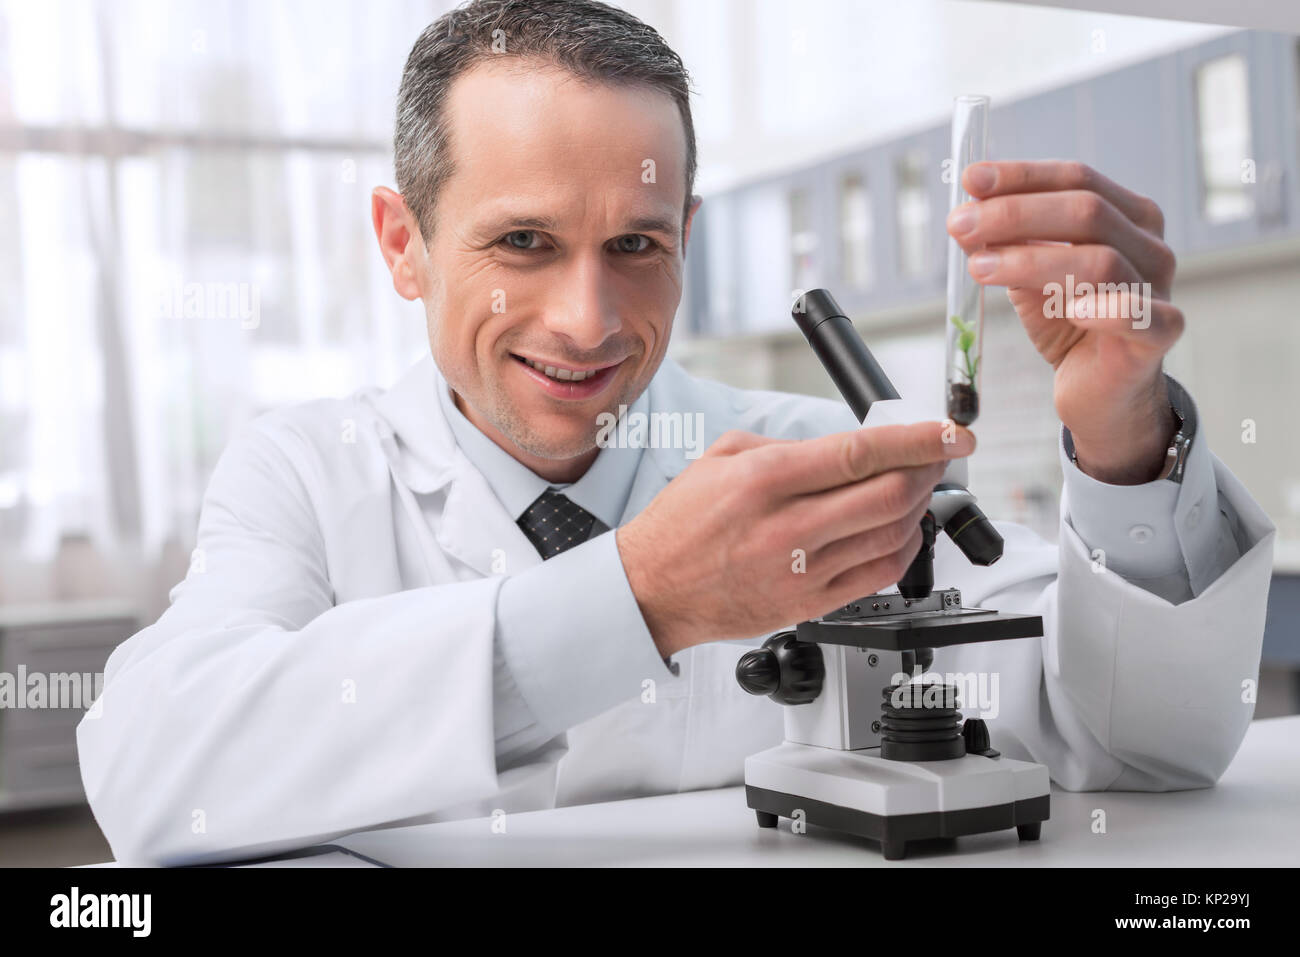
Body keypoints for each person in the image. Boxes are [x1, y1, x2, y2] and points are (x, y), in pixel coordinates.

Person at [77, 0, 1275, 866]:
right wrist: (642, 598)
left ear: (686, 235)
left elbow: (1148, 754)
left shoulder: (799, 447)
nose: (588, 321)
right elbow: (152, 773)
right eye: (523, 243)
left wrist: (1122, 437)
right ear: (403, 241)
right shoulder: (306, 473)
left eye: (635, 246)